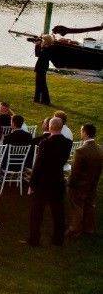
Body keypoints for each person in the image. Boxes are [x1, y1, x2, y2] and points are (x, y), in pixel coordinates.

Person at [27, 117, 72, 246]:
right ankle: (58, 239)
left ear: (49, 127)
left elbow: (38, 165)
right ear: (61, 127)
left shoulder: (45, 143)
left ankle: (34, 239)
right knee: (58, 212)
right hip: (58, 180)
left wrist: (32, 184)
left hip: (43, 182)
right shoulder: (67, 143)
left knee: (36, 213)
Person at [67, 124, 102, 238]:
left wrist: (70, 184)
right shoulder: (100, 149)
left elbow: (75, 171)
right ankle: (89, 228)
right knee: (90, 205)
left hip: (80, 184)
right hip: (93, 183)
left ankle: (75, 229)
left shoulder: (80, 151)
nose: (81, 133)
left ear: (85, 133)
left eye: (81, 131)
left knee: (77, 206)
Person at [34, 34, 53, 105]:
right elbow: (38, 54)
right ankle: (38, 99)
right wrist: (38, 45)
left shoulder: (48, 48)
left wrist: (37, 45)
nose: (42, 41)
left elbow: (38, 54)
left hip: (42, 67)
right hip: (41, 67)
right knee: (39, 84)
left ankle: (45, 100)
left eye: (43, 40)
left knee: (42, 84)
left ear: (47, 41)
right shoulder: (46, 48)